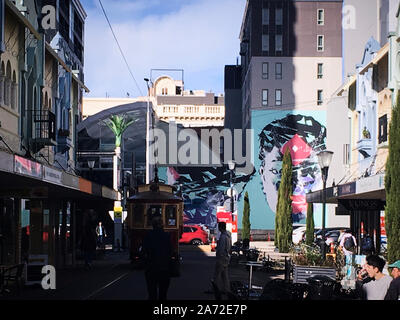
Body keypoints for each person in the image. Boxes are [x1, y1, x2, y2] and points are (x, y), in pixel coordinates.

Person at [142, 215, 172, 300]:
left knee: (152, 293)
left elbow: (144, 250)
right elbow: (170, 251)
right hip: (164, 268)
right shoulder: (167, 236)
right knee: (163, 294)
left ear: (153, 225)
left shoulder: (148, 235)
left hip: (151, 268)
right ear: (162, 225)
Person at [212, 222, 232, 297]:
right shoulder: (228, 235)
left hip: (222, 257)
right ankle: (226, 289)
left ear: (220, 228)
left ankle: (215, 289)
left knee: (217, 274)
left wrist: (218, 255)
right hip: (226, 257)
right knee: (225, 275)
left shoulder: (223, 237)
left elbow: (221, 248)